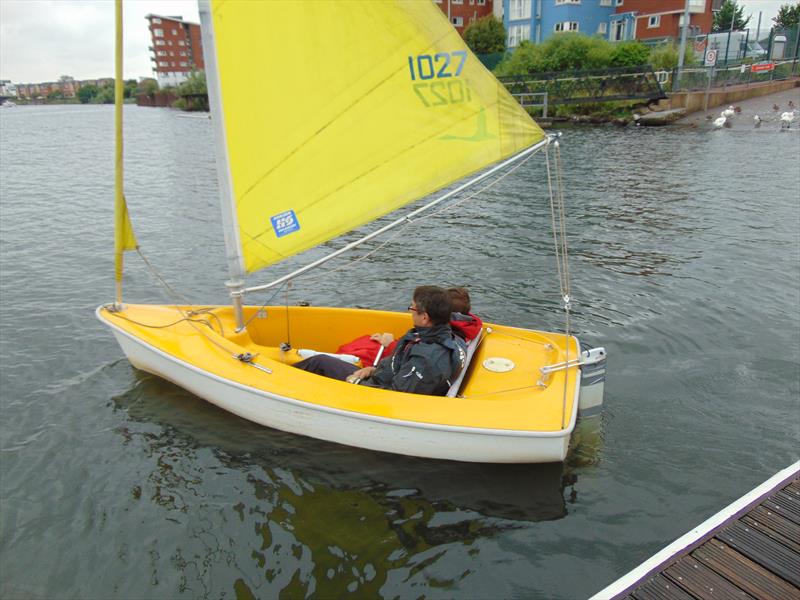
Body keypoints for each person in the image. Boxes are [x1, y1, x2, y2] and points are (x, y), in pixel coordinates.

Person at [294, 286, 467, 396]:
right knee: (322, 362)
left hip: (372, 392)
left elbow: (394, 397)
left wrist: (356, 382)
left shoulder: (425, 359)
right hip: (376, 379)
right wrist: (372, 370)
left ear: (424, 317)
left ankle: (289, 388)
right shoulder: (435, 335)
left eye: (412, 308)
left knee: (319, 363)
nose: (410, 312)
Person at [336, 286, 482, 365]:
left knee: (357, 349)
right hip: (401, 353)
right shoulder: (465, 328)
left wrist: (390, 344)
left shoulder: (445, 337)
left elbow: (415, 355)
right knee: (366, 342)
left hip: (394, 360)